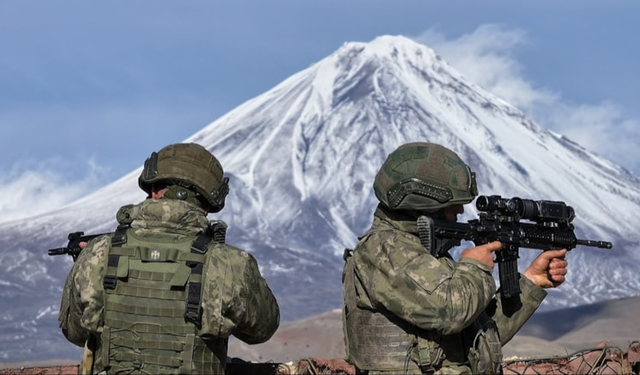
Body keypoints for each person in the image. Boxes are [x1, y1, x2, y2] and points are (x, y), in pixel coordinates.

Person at [342, 142, 568, 375]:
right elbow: (450, 313)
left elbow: (480, 339)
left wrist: (531, 281)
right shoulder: (385, 249)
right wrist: (475, 266)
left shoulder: (426, 252)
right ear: (422, 202)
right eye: (452, 205)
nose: (460, 211)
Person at [58, 143, 280, 374]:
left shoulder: (98, 253)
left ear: (153, 191)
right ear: (208, 204)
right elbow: (262, 330)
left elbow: (74, 332)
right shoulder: (230, 263)